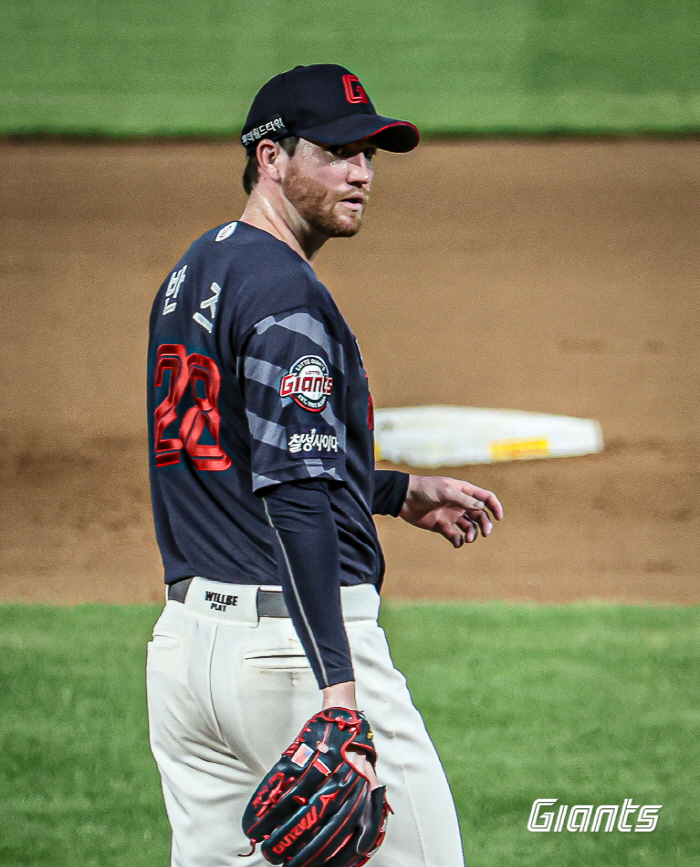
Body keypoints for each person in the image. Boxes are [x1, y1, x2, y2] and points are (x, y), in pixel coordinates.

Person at [145, 63, 503, 867]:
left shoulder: (192, 275)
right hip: (292, 655)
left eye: (370, 155)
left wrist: (396, 489)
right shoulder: (285, 293)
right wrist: (338, 691)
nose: (362, 172)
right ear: (271, 157)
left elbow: (235, 457)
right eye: (339, 151)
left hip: (184, 655)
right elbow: (295, 492)